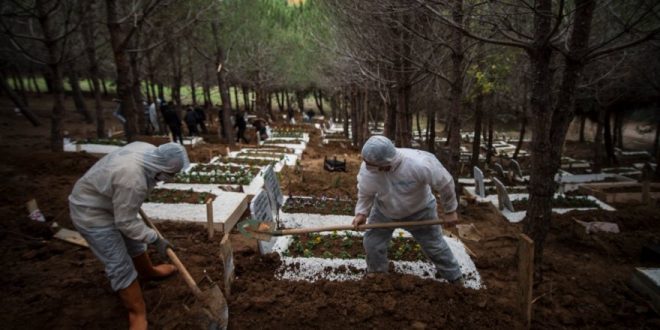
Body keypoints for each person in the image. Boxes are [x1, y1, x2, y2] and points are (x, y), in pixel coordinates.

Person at [68, 142, 190, 330]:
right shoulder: (133, 180)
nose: (170, 178)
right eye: (170, 174)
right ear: (161, 168)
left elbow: (127, 219)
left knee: (135, 242)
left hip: (109, 197)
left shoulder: (147, 149)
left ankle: (148, 272)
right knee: (119, 263)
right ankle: (137, 313)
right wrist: (155, 238)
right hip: (91, 210)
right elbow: (125, 223)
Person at [352, 136, 464, 284]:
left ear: (385, 163)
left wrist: (450, 211)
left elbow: (445, 183)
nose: (366, 166)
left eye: (369, 163)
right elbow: (365, 192)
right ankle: (377, 274)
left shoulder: (419, 164)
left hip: (420, 211)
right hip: (384, 211)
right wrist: (361, 213)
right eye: (366, 162)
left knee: (434, 246)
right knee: (372, 243)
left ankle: (454, 277)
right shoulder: (369, 169)